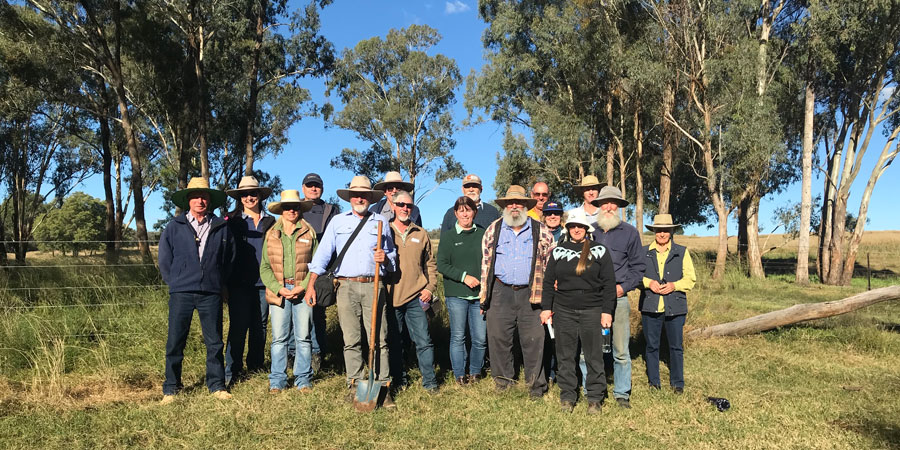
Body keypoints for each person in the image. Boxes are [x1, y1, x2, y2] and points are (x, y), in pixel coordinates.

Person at [305, 175, 397, 405]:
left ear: (369, 198)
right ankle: (355, 383)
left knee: (380, 338)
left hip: (373, 285)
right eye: (356, 194)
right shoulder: (338, 222)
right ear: (349, 198)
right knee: (351, 339)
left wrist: (384, 258)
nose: (360, 198)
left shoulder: (380, 222)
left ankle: (383, 385)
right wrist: (310, 286)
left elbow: (392, 258)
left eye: (364, 195)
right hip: (345, 286)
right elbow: (322, 256)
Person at [158, 177, 236, 404]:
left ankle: (217, 385)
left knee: (214, 342)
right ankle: (171, 388)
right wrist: (174, 282)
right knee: (175, 340)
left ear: (209, 200)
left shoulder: (221, 226)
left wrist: (219, 282)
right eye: (195, 197)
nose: (200, 201)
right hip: (181, 292)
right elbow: (164, 259)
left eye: (204, 197)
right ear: (188, 200)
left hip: (210, 292)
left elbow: (229, 259)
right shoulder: (174, 227)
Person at [479, 185, 555, 398]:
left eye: (519, 203)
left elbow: (551, 267)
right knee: (498, 338)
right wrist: (484, 298)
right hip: (500, 291)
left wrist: (548, 302)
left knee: (534, 340)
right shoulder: (493, 230)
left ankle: (536, 386)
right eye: (510, 203)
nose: (514, 206)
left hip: (532, 292)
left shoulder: (541, 231)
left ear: (525, 206)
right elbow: (485, 265)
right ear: (504, 206)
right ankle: (504, 384)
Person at [540, 210, 616, 414]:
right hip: (563, 309)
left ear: (586, 229)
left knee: (594, 355)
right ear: (567, 229)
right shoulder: (558, 250)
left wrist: (607, 311)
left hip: (593, 308)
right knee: (565, 355)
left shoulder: (600, 250)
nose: (576, 229)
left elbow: (609, 284)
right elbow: (548, 283)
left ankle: (595, 398)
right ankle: (567, 396)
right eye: (572, 226)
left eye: (580, 226)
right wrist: (546, 308)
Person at [589, 185, 645, 409]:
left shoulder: (630, 233)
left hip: (619, 299)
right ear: (599, 206)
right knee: (590, 349)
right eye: (605, 203)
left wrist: (623, 288)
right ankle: (593, 390)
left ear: (619, 207)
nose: (609, 206)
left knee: (620, 349)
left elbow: (638, 268)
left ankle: (622, 393)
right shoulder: (588, 231)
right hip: (591, 300)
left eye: (613, 203)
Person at [259, 190, 317, 393]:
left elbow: (317, 265)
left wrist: (304, 286)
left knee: (303, 337)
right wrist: (278, 288)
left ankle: (303, 379)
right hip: (279, 291)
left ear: (300, 209)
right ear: (281, 210)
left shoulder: (309, 233)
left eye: (295, 207)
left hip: (303, 290)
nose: (292, 210)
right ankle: (277, 380)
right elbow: (264, 267)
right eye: (287, 207)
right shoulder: (272, 234)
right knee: (279, 339)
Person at [385, 190, 439, 392]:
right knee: (395, 342)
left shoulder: (420, 233)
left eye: (409, 205)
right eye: (401, 205)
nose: (405, 209)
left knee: (424, 341)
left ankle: (430, 382)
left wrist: (430, 288)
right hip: (392, 297)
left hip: (417, 297)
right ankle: (399, 380)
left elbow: (430, 265)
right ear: (393, 206)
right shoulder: (385, 231)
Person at [224, 176, 275, 386]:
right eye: (244, 194)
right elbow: (225, 253)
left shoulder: (272, 221)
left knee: (260, 326)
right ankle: (232, 370)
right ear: (240, 198)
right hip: (238, 284)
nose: (249, 197)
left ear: (260, 196)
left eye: (253, 193)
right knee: (238, 326)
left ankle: (255, 365)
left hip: (264, 283)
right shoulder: (231, 221)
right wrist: (224, 284)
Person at [640, 214, 695, 394]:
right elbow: (634, 276)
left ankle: (678, 383)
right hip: (650, 305)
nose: (662, 233)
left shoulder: (682, 251)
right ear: (654, 231)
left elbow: (690, 279)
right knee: (651, 346)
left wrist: (674, 285)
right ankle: (654, 382)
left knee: (676, 346)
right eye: (659, 230)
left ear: (672, 231)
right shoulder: (643, 251)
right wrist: (649, 283)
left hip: (676, 306)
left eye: (666, 230)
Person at [436, 196, 487, 386]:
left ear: (474, 212)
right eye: (461, 210)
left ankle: (475, 372)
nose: (465, 213)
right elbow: (442, 264)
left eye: (469, 209)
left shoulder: (483, 234)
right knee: (458, 336)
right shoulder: (449, 237)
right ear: (455, 213)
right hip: (456, 294)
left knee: (480, 338)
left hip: (479, 295)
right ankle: (459, 374)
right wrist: (463, 276)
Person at [300, 172, 339, 372]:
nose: (313, 188)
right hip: (298, 269)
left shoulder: (331, 210)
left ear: (322, 188)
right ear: (303, 188)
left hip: (323, 271)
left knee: (318, 314)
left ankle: (318, 354)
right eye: (310, 185)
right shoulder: (294, 208)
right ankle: (295, 353)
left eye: (317, 185)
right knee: (297, 313)